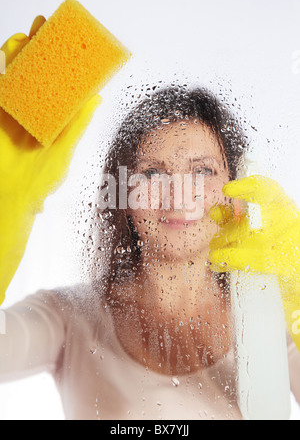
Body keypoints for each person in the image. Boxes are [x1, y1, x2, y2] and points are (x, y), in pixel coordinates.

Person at [0, 86, 299, 420]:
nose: (179, 198)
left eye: (202, 171)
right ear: (125, 195)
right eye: (153, 173)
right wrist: (5, 207)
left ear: (234, 189)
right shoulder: (68, 317)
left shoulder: (272, 317)